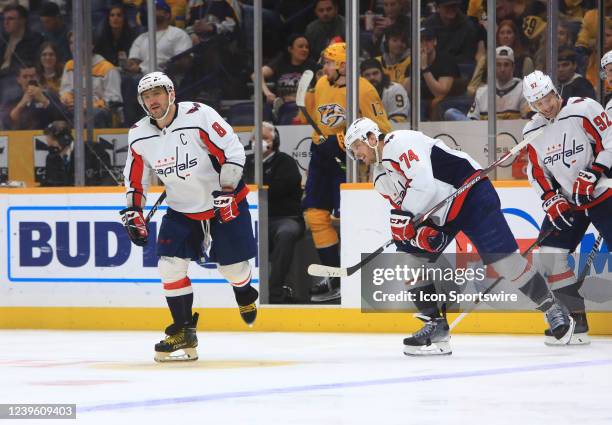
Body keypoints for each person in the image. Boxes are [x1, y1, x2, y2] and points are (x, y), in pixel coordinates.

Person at [344, 117, 576, 355]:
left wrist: (405, 223)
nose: (356, 155)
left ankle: (552, 308)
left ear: (372, 138)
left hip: (470, 193)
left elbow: (424, 188)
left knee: (505, 263)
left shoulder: (398, 142)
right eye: (353, 152)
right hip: (441, 213)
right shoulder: (380, 178)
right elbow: (408, 214)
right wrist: (418, 234)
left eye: (357, 147)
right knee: (409, 260)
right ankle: (436, 326)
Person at [121, 71, 259, 362]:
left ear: (171, 93)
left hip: (223, 201)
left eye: (157, 93)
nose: (152, 100)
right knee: (169, 266)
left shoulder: (199, 116)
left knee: (232, 271)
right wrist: (134, 209)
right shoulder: (139, 134)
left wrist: (227, 188)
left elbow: (232, 150)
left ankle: (245, 292)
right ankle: (183, 331)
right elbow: (136, 177)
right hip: (182, 209)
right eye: (146, 96)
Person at [522, 70, 612, 345]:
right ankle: (575, 318)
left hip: (602, 190)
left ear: (555, 91)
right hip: (568, 201)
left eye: (548, 98)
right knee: (550, 254)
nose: (547, 106)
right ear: (532, 105)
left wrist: (595, 171)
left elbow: (610, 139)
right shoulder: (532, 131)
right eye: (539, 103)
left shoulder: (584, 108)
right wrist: (550, 197)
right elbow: (536, 171)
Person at [300, 42, 391, 302]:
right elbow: (317, 119)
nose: (324, 67)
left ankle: (355, 278)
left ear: (342, 65)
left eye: (329, 62)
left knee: (348, 218)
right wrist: (320, 140)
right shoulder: (321, 85)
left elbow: (381, 127)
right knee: (315, 216)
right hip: (321, 156)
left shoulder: (363, 89)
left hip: (348, 158)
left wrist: (341, 140)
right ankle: (335, 277)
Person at [243, 122, 305, 303]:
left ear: (275, 141)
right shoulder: (245, 163)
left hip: (283, 218)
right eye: (256, 138)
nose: (259, 142)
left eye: (265, 138)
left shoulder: (286, 162)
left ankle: (275, 292)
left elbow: (279, 190)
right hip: (251, 218)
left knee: (286, 233)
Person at [60, 32, 123, 128]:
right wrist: (68, 100)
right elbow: (65, 91)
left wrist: (88, 106)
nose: (74, 46)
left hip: (98, 112)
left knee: (94, 114)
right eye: (71, 43)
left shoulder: (108, 68)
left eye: (78, 42)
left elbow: (114, 100)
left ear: (91, 45)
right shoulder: (69, 65)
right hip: (75, 109)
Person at [252, 34, 318, 124]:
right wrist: (267, 93)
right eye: (300, 47)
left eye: (307, 47)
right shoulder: (280, 63)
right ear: (290, 49)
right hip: (282, 109)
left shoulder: (313, 66)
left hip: (304, 109)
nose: (304, 49)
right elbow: (256, 75)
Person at [451, 46, 527, 121]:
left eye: (506, 65)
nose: (502, 69)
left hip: (515, 132)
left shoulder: (523, 90)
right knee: (451, 113)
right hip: (484, 133)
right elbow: (472, 123)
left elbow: (527, 122)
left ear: (513, 67)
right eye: (498, 65)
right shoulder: (482, 92)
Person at [126, 0, 193, 75]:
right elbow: (133, 61)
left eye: (156, 9)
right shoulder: (141, 38)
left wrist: (168, 67)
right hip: (141, 76)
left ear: (166, 14)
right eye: (149, 9)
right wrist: (131, 65)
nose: (151, 11)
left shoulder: (178, 34)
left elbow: (184, 61)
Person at [4, 62, 63, 130]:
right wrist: (21, 105)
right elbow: (6, 124)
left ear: (37, 77)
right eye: (25, 77)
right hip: (20, 138)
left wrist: (44, 101)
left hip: (47, 137)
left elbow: (63, 117)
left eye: (32, 76)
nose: (29, 80)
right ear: (18, 80)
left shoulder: (51, 96)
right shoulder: (12, 100)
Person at [360, 58, 409, 123]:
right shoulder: (358, 94)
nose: (372, 77)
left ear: (382, 73)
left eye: (375, 73)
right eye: (367, 75)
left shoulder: (395, 89)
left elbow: (399, 119)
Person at [93, 4, 136, 68]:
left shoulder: (132, 37)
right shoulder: (101, 38)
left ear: (124, 19)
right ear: (108, 19)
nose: (115, 18)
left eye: (119, 15)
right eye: (112, 15)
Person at [41, 120, 73, 187]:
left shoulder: (84, 153)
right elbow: (50, 183)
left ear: (63, 139)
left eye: (50, 138)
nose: (47, 141)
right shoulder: (51, 158)